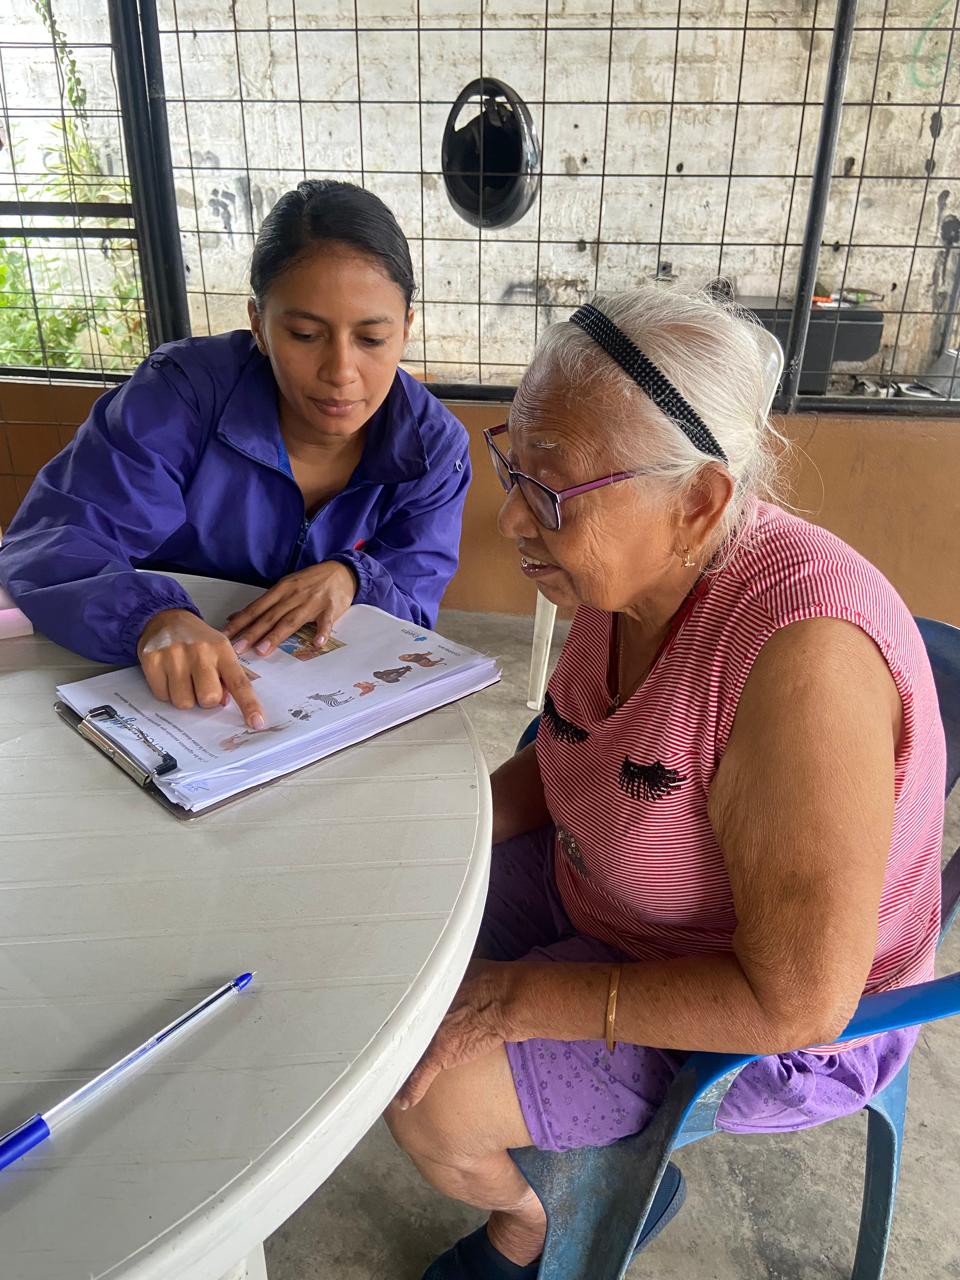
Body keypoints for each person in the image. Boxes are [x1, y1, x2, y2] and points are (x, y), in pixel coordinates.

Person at [385, 289, 946, 1280]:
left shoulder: (804, 666)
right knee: (384, 948)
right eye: (513, 467)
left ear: (697, 504)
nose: (511, 518)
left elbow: (797, 1003)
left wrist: (526, 997)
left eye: (551, 491)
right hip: (606, 886)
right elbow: (570, 754)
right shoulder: (625, 573)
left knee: (427, 1097)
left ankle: (535, 1223)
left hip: (752, 1008)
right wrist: (439, 828)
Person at [0, 180, 469, 728]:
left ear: (406, 327)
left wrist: (353, 576)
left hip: (307, 713)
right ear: (259, 325)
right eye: (305, 334)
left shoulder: (434, 450)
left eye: (372, 339)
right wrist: (152, 618)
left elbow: (413, 612)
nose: (341, 372)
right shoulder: (181, 398)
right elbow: (55, 538)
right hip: (146, 690)